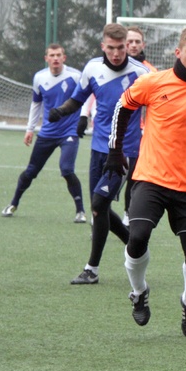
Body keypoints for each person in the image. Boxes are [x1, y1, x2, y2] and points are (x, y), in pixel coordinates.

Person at [107, 27, 186, 335]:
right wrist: (115, 151)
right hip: (150, 177)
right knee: (136, 237)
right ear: (178, 52)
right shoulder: (153, 81)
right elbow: (122, 108)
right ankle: (139, 293)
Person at [47, 23, 150, 284]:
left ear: (127, 45)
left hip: (125, 151)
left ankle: (91, 269)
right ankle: (133, 243)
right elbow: (78, 98)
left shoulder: (141, 73)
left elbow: (158, 108)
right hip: (98, 149)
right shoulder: (92, 68)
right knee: (98, 208)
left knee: (99, 204)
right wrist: (61, 111)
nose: (116, 53)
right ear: (103, 46)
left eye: (121, 47)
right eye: (111, 48)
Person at [2, 44, 87, 222]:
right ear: (46, 58)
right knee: (31, 171)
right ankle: (13, 203)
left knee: (66, 170)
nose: (55, 58)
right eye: (52, 55)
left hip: (69, 131)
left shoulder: (75, 75)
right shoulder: (39, 78)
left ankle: (80, 211)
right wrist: (29, 129)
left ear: (64, 57)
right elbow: (36, 104)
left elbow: (85, 96)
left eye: (58, 55)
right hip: (48, 132)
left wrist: (83, 118)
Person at [121, 26, 157, 226]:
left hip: (141, 133)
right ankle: (100, 214)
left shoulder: (151, 72)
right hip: (116, 131)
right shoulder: (113, 68)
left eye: (137, 42)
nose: (133, 45)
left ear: (143, 44)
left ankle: (128, 212)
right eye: (129, 42)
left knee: (135, 173)